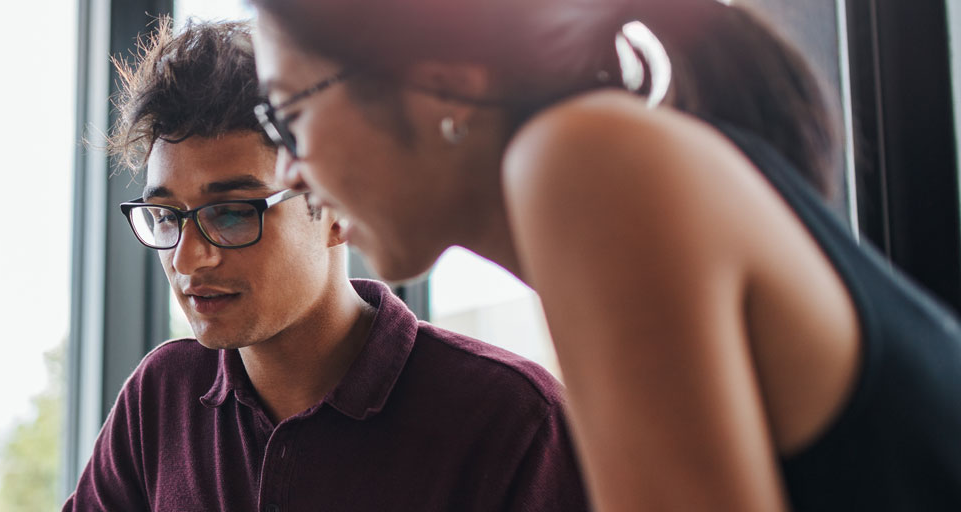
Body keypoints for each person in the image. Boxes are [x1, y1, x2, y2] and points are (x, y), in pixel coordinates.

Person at [248, 0, 961, 509]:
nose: (285, 171)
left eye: (290, 114)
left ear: (446, 82)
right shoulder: (611, 161)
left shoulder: (587, 161)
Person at [64, 19, 585, 511]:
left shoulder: (511, 418)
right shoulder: (161, 395)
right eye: (167, 215)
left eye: (230, 213)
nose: (187, 257)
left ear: (333, 204)